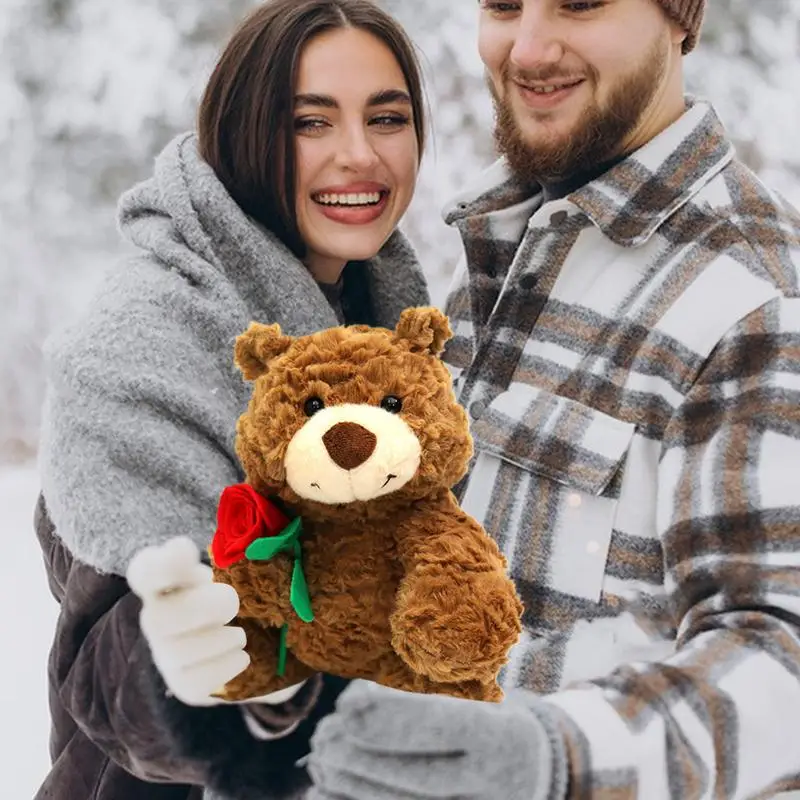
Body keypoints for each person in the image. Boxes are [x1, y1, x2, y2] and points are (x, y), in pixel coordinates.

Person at [305, 1, 800, 798]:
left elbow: (778, 658)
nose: (528, 47)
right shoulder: (506, 246)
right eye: (503, 4)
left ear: (679, 18)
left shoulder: (754, 296)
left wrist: (549, 756)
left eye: (580, 1)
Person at [33, 1, 429, 798]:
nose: (360, 155)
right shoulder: (146, 341)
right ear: (244, 132)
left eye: (387, 117)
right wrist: (201, 667)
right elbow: (106, 670)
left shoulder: (381, 319)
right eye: (310, 124)